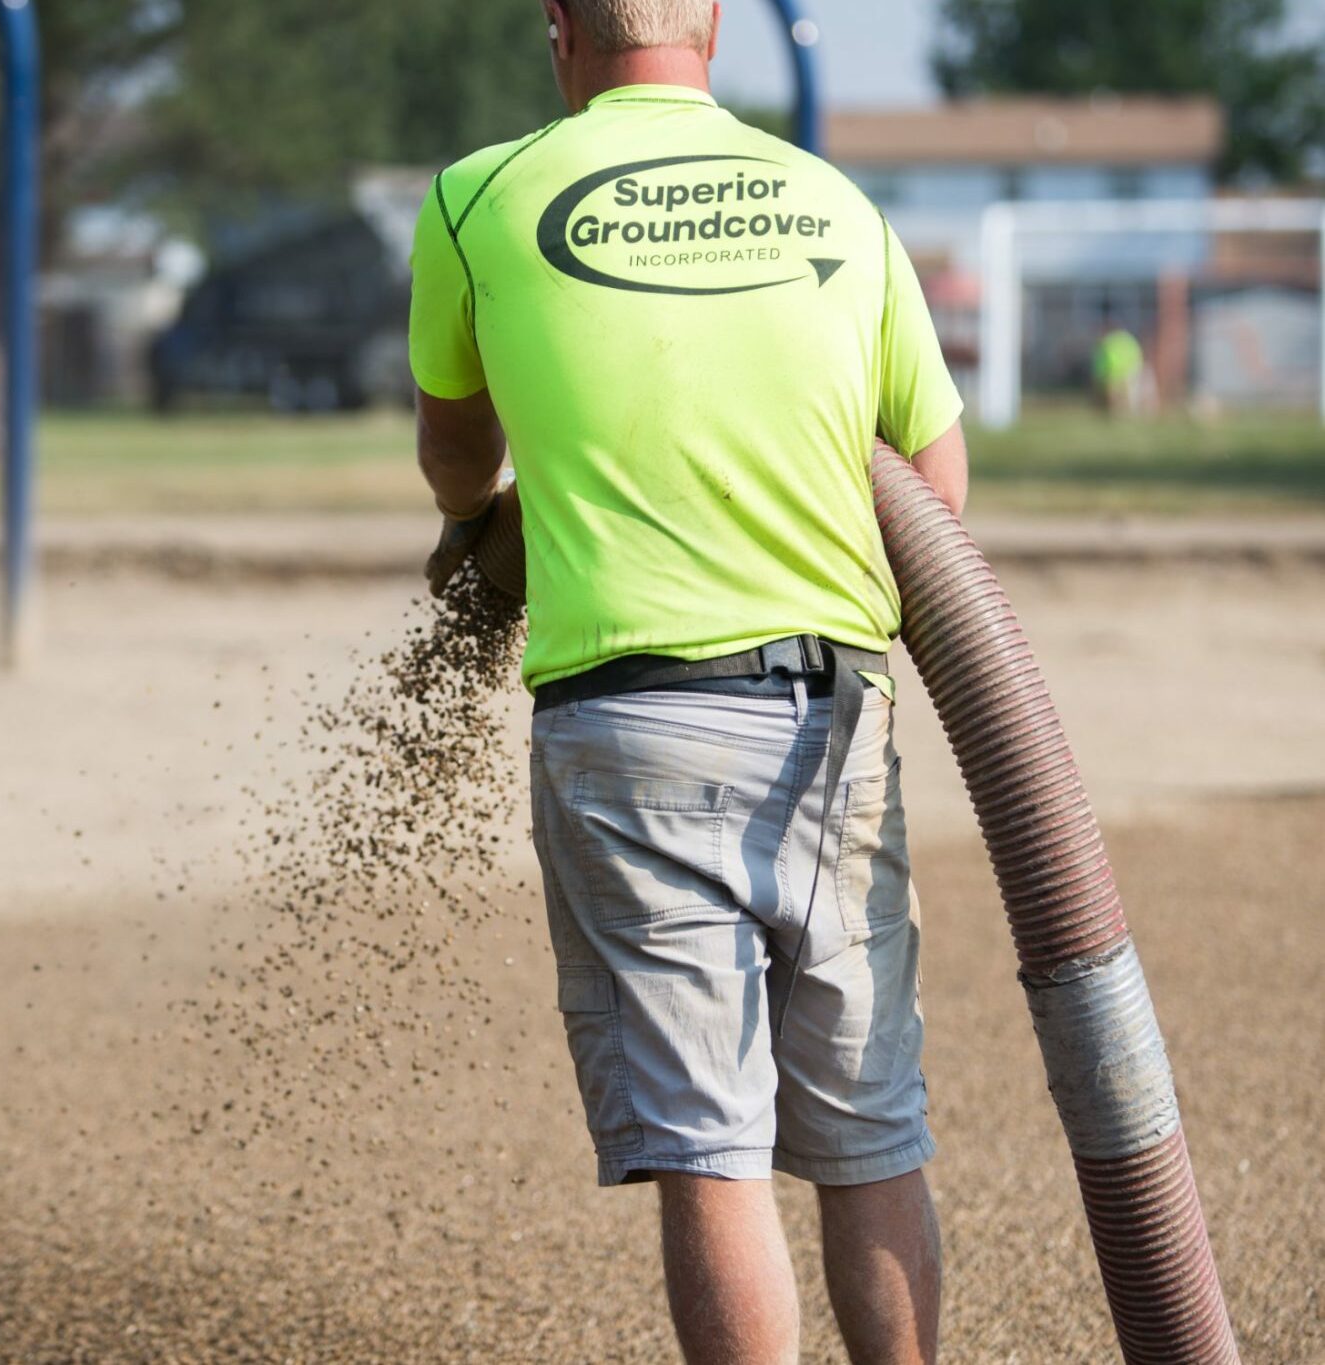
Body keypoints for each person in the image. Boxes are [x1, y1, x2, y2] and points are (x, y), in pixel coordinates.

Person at [409, 4, 968, 1361]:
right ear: (715, 27)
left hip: (628, 721)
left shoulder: (478, 195)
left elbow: (453, 459)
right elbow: (936, 493)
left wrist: (489, 528)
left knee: (713, 1148)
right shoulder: (835, 202)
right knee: (867, 1125)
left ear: (558, 30)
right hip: (835, 715)